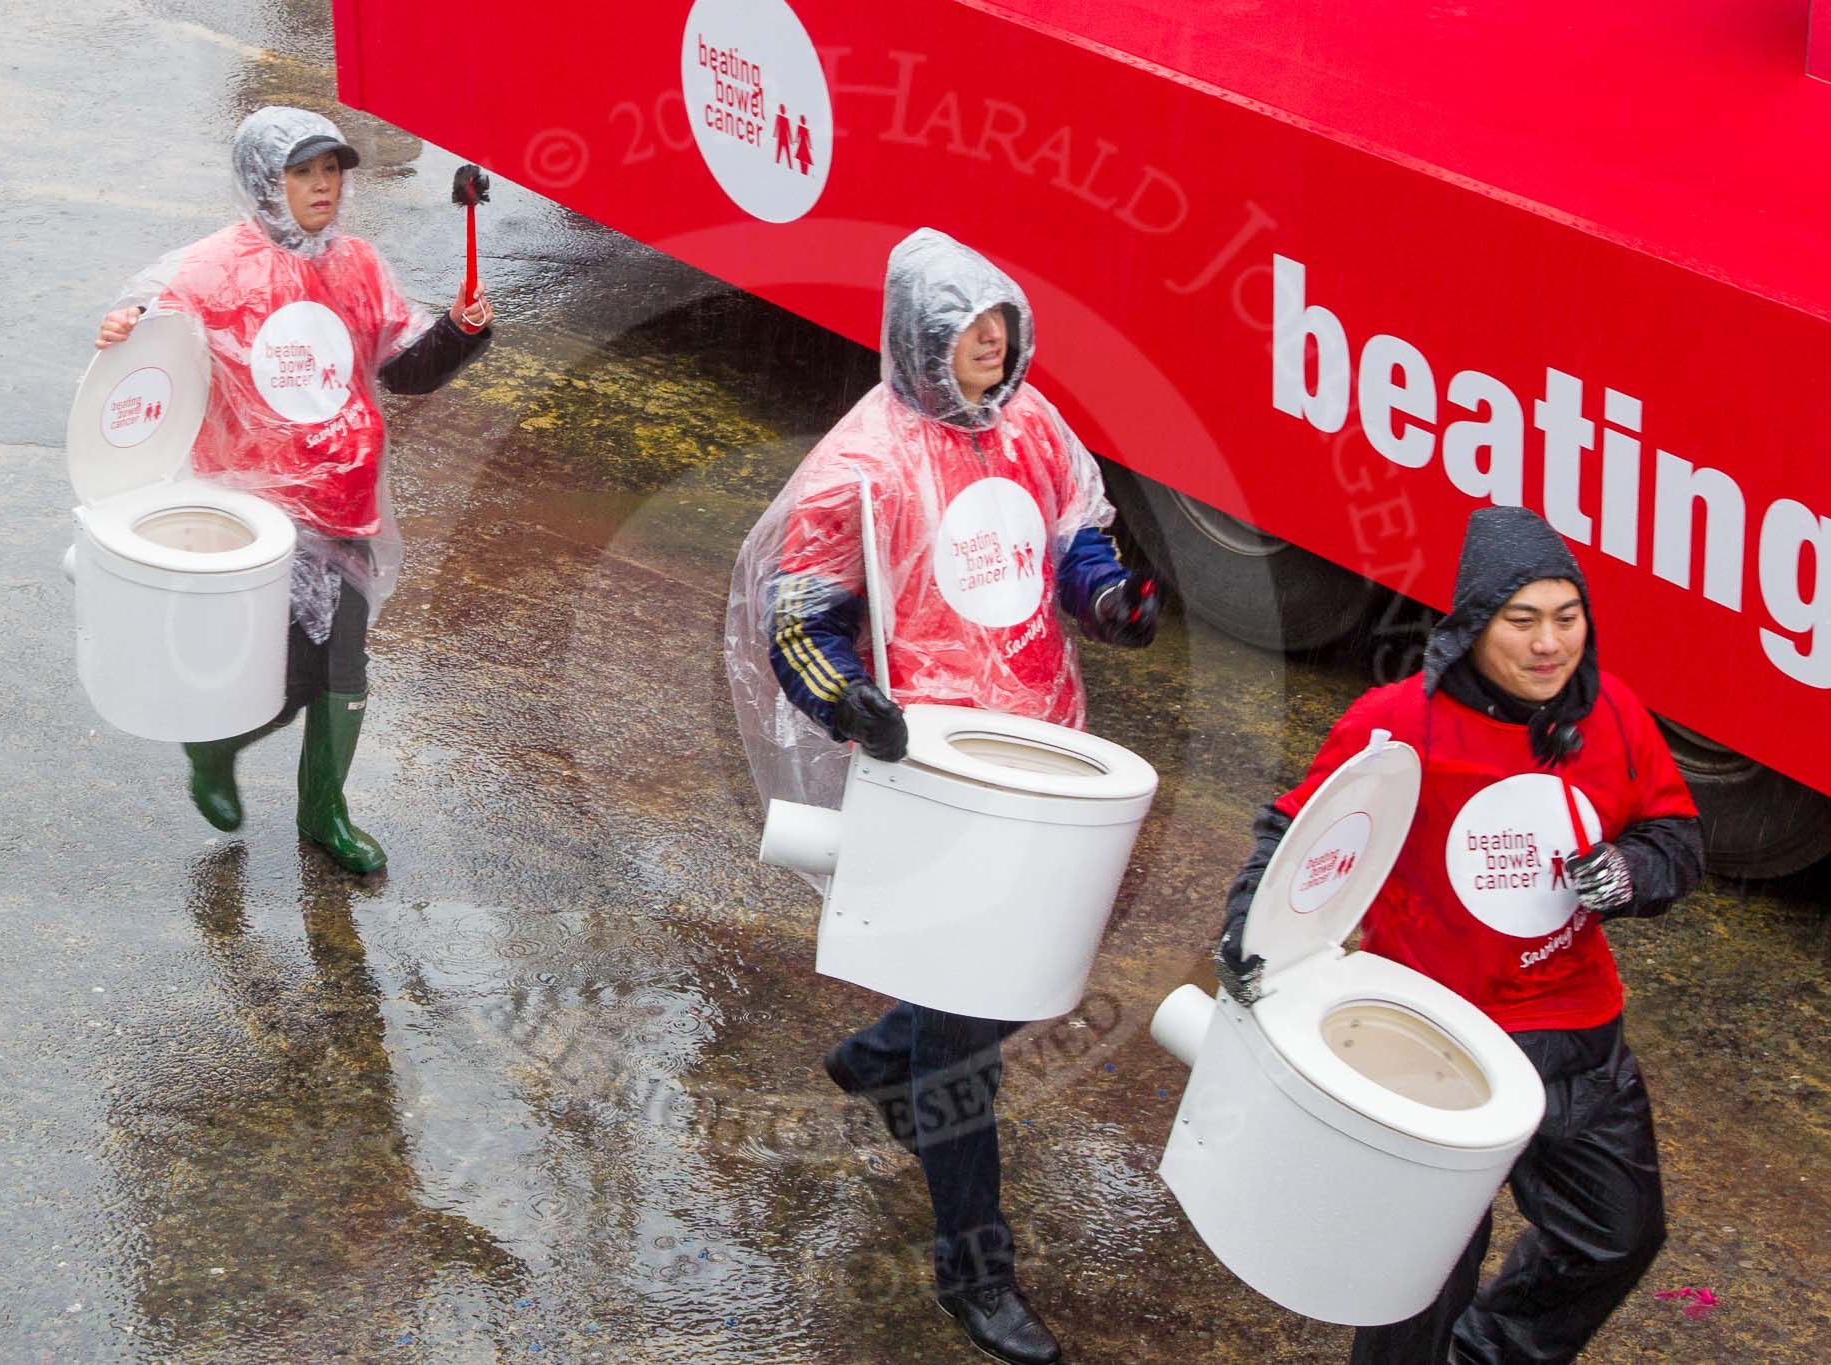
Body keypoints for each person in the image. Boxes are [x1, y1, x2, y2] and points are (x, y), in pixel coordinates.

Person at [725, 228, 1163, 1365]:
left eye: (1002, 325)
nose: (992, 345)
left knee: (1026, 975)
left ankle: (879, 1059)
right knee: (973, 1021)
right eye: (969, 328)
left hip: (1041, 751)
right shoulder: (860, 463)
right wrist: (848, 704)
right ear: (920, 334)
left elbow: (1071, 539)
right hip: (935, 774)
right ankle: (975, 1268)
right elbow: (799, 618)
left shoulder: (1030, 426)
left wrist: (1109, 597)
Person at [1213, 505, 1705, 1365]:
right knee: (1416, 1279)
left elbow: (1676, 835)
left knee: (1617, 1237)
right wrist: (1251, 931)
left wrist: (1632, 872)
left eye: (1567, 616)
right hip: (1432, 1040)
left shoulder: (1615, 712)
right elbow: (1293, 835)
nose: (1550, 644)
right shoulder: (1400, 722)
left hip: (1574, 1033)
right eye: (1523, 620)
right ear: (1475, 626)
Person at [94, 107, 494, 873]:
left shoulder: (358, 265)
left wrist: (461, 330)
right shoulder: (215, 268)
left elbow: (403, 367)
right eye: (304, 172)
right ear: (263, 180)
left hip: (343, 505)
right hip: (252, 518)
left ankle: (324, 813)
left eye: (332, 170)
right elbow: (153, 337)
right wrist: (124, 326)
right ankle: (213, 749)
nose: (324, 187)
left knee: (344, 672)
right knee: (283, 673)